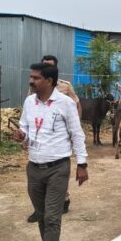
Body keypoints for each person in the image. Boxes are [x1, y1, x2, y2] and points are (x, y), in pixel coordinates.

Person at [13, 63, 88, 241]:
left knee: (53, 217)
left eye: (36, 78)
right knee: (43, 215)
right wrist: (21, 136)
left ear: (49, 81)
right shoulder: (29, 102)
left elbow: (77, 134)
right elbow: (25, 127)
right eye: (31, 77)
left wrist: (82, 164)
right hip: (34, 168)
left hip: (58, 168)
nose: (31, 81)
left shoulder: (66, 104)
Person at [26, 54, 80, 222]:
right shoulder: (35, 87)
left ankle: (63, 199)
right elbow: (31, 106)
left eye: (48, 65)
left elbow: (75, 104)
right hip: (39, 135)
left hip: (59, 133)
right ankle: (39, 209)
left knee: (56, 171)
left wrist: (72, 129)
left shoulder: (65, 86)